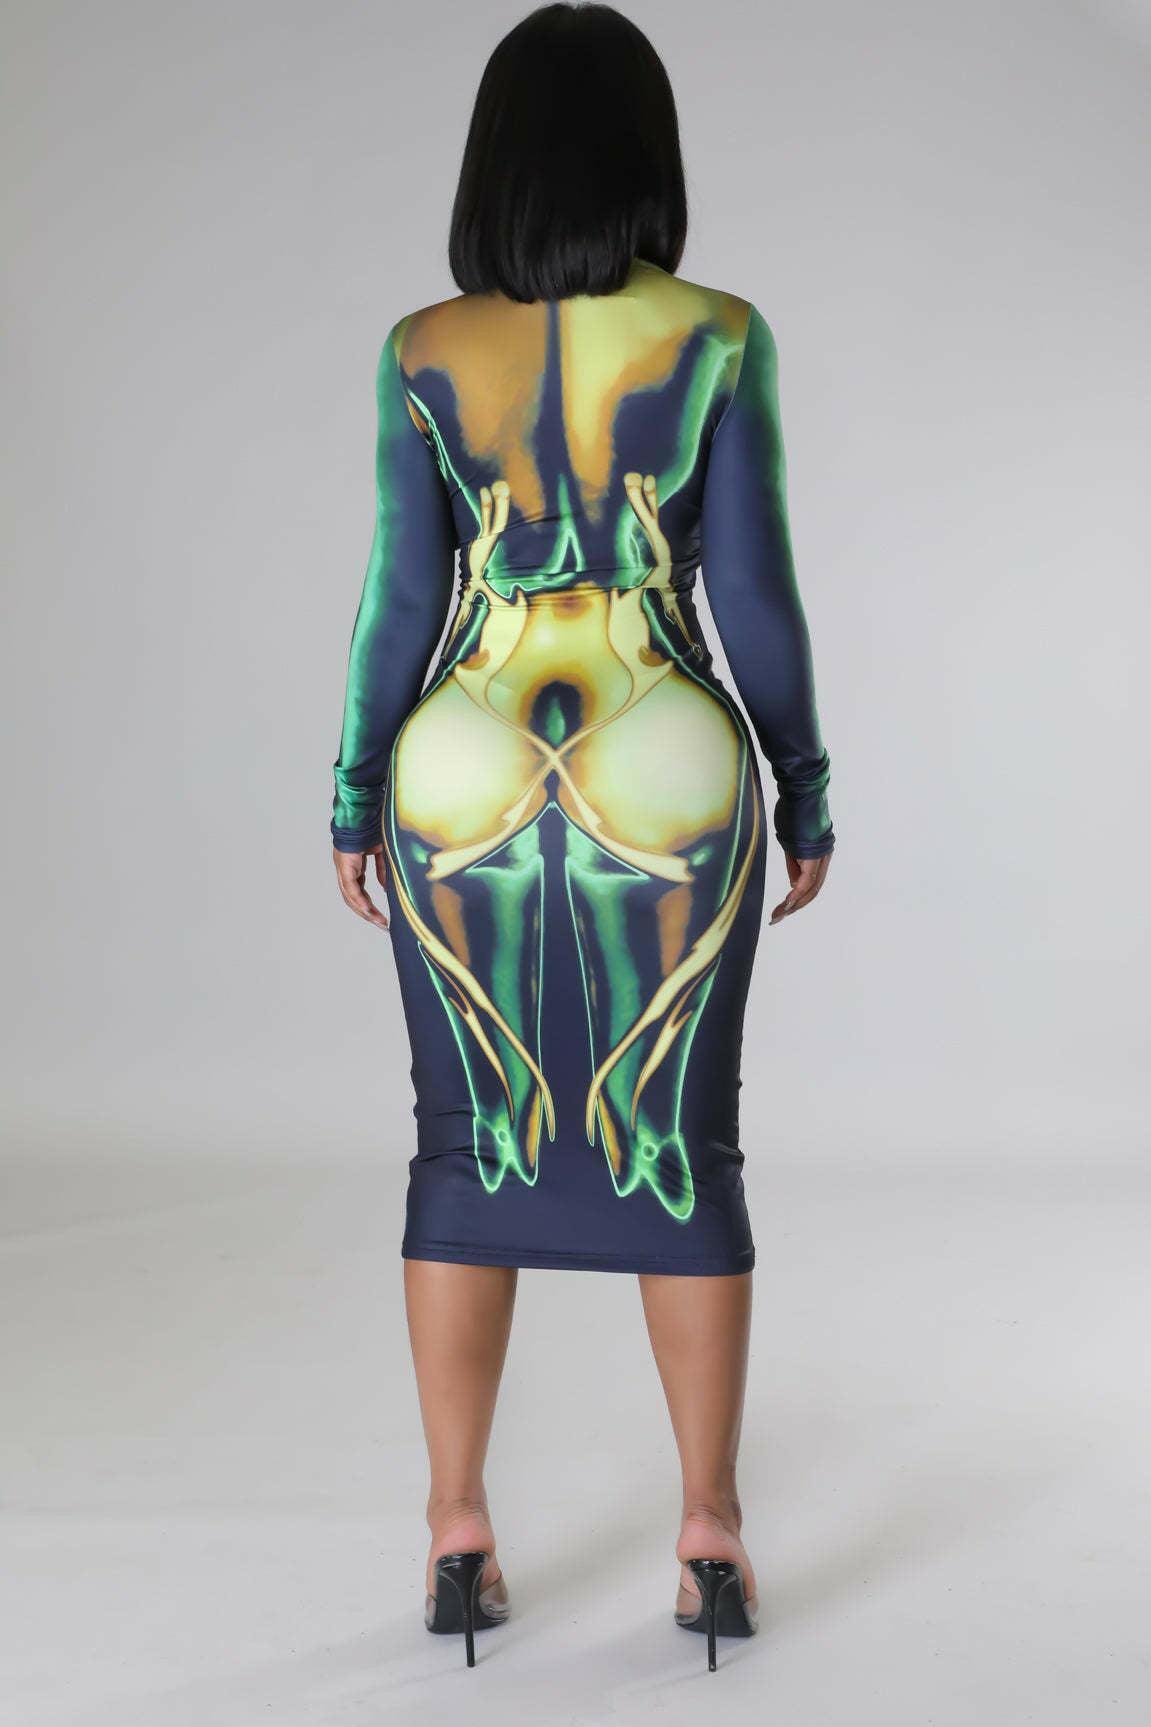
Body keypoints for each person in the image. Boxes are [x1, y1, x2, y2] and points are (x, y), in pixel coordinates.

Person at [329, 0, 835, 1673]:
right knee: (682, 1137)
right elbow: (752, 592)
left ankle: (456, 1528)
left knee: (462, 1139)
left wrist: (351, 791)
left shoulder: (422, 347)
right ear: (646, 159)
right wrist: (805, 783)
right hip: (664, 736)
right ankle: (710, 1532)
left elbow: (402, 598)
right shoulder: (721, 335)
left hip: (464, 748)